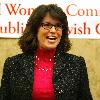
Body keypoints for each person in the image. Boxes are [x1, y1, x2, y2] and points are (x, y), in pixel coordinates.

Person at [0, 4, 93, 100]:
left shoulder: (77, 64)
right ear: (35, 29)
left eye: (58, 26)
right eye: (47, 25)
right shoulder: (13, 64)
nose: (53, 30)